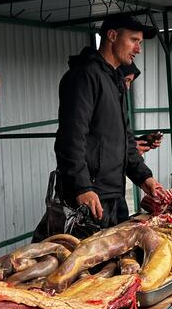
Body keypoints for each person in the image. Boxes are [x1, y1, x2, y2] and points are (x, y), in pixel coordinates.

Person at [53, 14, 164, 229]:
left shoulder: (116, 81)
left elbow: (126, 140)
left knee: (121, 260)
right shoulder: (84, 76)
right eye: (133, 40)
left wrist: (144, 177)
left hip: (114, 196)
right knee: (90, 261)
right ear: (112, 36)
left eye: (139, 43)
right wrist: (82, 188)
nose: (138, 49)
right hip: (90, 199)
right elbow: (71, 138)